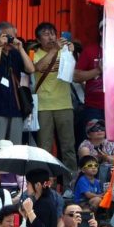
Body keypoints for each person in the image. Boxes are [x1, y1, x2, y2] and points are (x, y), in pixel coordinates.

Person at [32, 22, 78, 177]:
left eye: (53, 33)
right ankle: (45, 183)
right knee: (44, 147)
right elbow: (37, 67)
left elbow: (73, 75)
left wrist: (71, 54)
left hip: (64, 104)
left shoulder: (64, 52)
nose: (51, 37)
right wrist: (54, 50)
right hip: (43, 106)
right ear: (38, 40)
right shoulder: (34, 53)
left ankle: (70, 184)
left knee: (68, 147)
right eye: (46, 34)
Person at [0, 22, 36, 152]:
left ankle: (12, 173)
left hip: (16, 107)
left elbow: (31, 68)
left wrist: (21, 48)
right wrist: (0, 47)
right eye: (7, 36)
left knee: (14, 149)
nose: (10, 39)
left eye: (13, 36)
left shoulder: (16, 54)